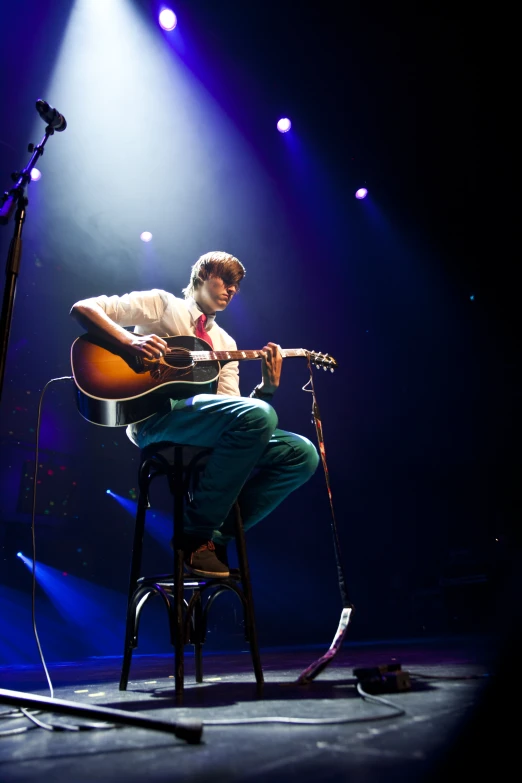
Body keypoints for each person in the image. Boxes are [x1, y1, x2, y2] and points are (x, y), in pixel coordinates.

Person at [70, 251, 319, 577]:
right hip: (155, 418)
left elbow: (233, 409)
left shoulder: (225, 342)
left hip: (200, 422)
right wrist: (131, 342)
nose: (232, 290)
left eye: (237, 286)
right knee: (259, 415)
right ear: (202, 275)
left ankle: (215, 538)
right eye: (226, 280)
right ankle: (195, 536)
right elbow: (83, 308)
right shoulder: (162, 304)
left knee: (303, 454)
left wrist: (267, 389)